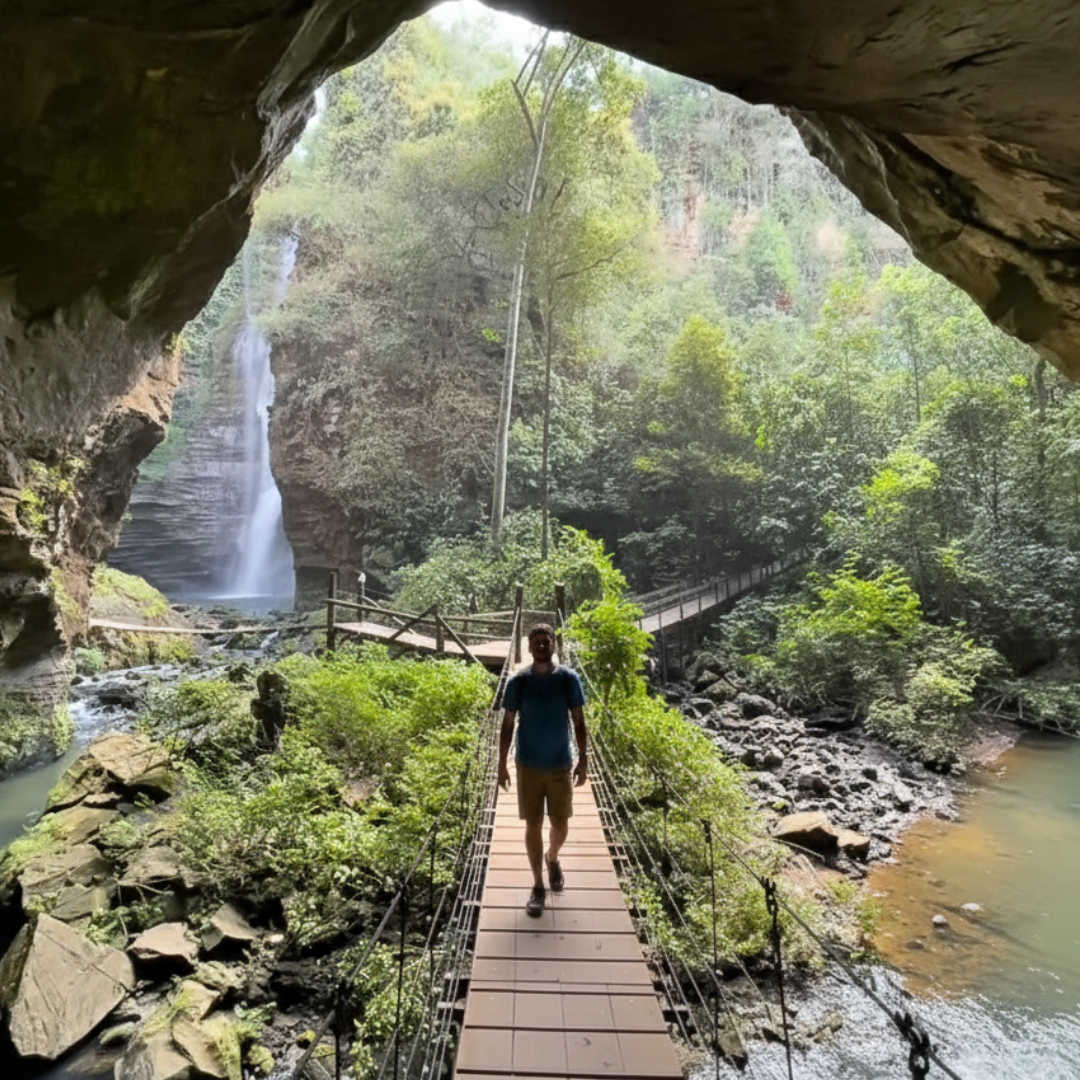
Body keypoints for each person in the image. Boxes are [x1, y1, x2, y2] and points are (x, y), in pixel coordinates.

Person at [498, 623, 587, 917]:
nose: (541, 645)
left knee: (560, 825)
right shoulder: (518, 682)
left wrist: (584, 759)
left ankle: (553, 857)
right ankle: (538, 885)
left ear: (553, 644)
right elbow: (508, 724)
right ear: (528, 646)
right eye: (535, 641)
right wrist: (501, 764)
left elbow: (579, 721)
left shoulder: (568, 679)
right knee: (532, 824)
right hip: (528, 765)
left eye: (546, 640)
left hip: (561, 762)